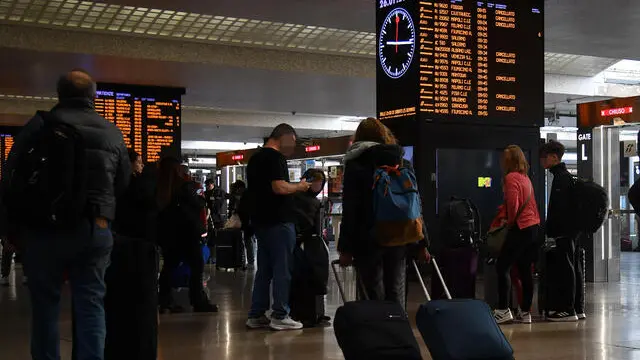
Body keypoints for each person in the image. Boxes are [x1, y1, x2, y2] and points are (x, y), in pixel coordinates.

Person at [3, 69, 130, 360]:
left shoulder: (39, 125)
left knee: (45, 306)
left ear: (59, 95)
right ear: (93, 97)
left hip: (45, 229)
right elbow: (122, 183)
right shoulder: (111, 131)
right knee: (91, 304)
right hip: (94, 226)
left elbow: (11, 177)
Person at [338, 118, 429, 307]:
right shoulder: (402, 162)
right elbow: (415, 204)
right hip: (399, 235)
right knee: (396, 289)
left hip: (368, 238)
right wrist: (422, 243)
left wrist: (345, 248)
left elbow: (351, 207)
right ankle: (397, 329)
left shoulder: (357, 164)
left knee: (372, 292)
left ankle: (376, 331)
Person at [245, 123, 311, 331]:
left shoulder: (255, 158)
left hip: (261, 222)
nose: (292, 147)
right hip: (279, 222)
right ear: (285, 137)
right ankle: (280, 314)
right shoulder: (275, 158)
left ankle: (256, 314)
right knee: (283, 269)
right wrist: (299, 186)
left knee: (264, 269)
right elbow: (279, 187)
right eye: (292, 141)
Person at [105, 150, 159, 360]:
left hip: (113, 247)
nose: (142, 166)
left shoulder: (110, 185)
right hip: (138, 252)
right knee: (140, 312)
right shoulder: (140, 186)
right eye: (139, 162)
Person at [156, 157, 218, 314]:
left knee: (169, 266)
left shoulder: (160, 187)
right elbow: (199, 204)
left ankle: (165, 300)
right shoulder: (186, 186)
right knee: (197, 266)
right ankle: (198, 300)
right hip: (188, 234)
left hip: (168, 234)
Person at [493, 145, 540, 324]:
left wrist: (509, 221)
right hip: (533, 226)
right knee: (525, 269)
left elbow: (513, 203)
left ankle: (503, 309)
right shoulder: (525, 178)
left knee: (502, 266)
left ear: (509, 160)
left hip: (520, 227)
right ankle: (525, 311)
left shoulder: (511, 178)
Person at [540, 140, 584, 322]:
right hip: (572, 230)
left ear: (553, 157)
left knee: (567, 268)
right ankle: (577, 307)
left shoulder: (561, 178)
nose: (542, 161)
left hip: (565, 231)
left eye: (543, 157)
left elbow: (558, 208)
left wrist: (552, 230)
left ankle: (567, 310)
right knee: (574, 266)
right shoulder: (566, 177)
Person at [290, 169, 331, 327]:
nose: (318, 185)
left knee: (308, 278)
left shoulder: (300, 198)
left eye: (320, 183)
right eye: (316, 182)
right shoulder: (309, 201)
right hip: (307, 244)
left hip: (305, 244)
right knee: (311, 278)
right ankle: (310, 314)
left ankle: (311, 313)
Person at [229, 180, 255, 266]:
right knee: (247, 240)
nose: (236, 191)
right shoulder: (245, 194)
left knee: (248, 240)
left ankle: (250, 261)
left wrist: (237, 211)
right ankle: (247, 260)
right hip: (245, 221)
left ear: (240, 188)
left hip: (247, 222)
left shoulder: (247, 195)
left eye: (237, 189)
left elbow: (245, 209)